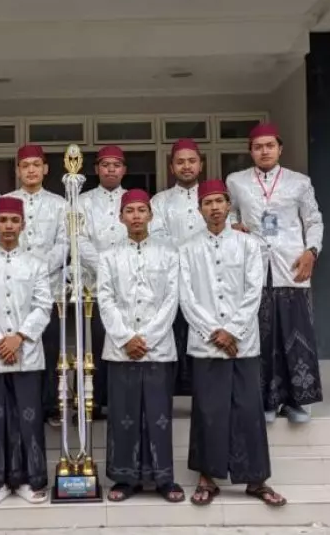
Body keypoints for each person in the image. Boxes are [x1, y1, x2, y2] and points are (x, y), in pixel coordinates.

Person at [179, 179, 286, 508]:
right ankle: (207, 477)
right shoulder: (187, 249)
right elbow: (187, 297)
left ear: (228, 206)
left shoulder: (249, 246)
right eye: (207, 202)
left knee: (247, 409)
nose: (214, 208)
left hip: (242, 344)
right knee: (208, 410)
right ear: (199, 210)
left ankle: (256, 479)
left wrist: (233, 331)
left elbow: (255, 292)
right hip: (206, 343)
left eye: (219, 202)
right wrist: (215, 332)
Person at [226, 123, 324, 424]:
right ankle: (266, 400)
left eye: (270, 145)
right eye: (258, 146)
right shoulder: (237, 181)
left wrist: (312, 251)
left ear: (280, 148)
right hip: (253, 264)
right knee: (261, 334)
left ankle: (298, 402)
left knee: (296, 333)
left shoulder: (299, 182)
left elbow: (314, 220)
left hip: (291, 265)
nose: (264, 151)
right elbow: (230, 213)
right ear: (250, 151)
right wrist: (234, 225)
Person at [97, 188, 184, 504]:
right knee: (123, 414)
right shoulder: (108, 256)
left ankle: (164, 479)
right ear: (120, 217)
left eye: (141, 210)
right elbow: (104, 299)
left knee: (158, 414)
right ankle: (124, 478)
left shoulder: (169, 254)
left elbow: (171, 299)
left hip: (158, 348)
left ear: (150, 214)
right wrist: (125, 338)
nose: (135, 216)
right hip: (121, 350)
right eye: (129, 210)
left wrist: (146, 338)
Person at [0, 196, 54, 506]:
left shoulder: (36, 264)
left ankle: (29, 481)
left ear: (23, 225)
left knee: (28, 419)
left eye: (13, 220)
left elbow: (44, 306)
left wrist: (19, 337)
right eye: (2, 220)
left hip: (27, 354)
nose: (8, 226)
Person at [5, 144, 67, 427]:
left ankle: (50, 404)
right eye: (25, 165)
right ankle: (17, 402)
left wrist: (37, 272)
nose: (30, 170)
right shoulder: (5, 201)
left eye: (36, 165)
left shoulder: (60, 204)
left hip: (49, 288)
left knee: (50, 348)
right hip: (10, 290)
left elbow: (64, 243)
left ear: (45, 169)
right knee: (14, 343)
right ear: (18, 170)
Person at [149, 138, 206, 396]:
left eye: (191, 161)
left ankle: (201, 388)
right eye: (180, 162)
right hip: (171, 277)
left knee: (202, 328)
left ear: (200, 165)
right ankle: (173, 390)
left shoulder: (214, 197)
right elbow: (158, 236)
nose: (186, 166)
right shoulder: (160, 201)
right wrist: (194, 250)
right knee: (174, 329)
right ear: (171, 167)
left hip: (207, 278)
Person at [76, 145, 129, 420]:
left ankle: (117, 402)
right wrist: (106, 268)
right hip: (92, 289)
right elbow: (79, 239)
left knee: (122, 342)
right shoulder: (82, 201)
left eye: (116, 165)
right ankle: (91, 403)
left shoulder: (135, 200)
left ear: (124, 170)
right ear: (96, 169)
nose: (110, 169)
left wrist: (122, 272)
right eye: (105, 164)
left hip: (128, 289)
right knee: (93, 346)